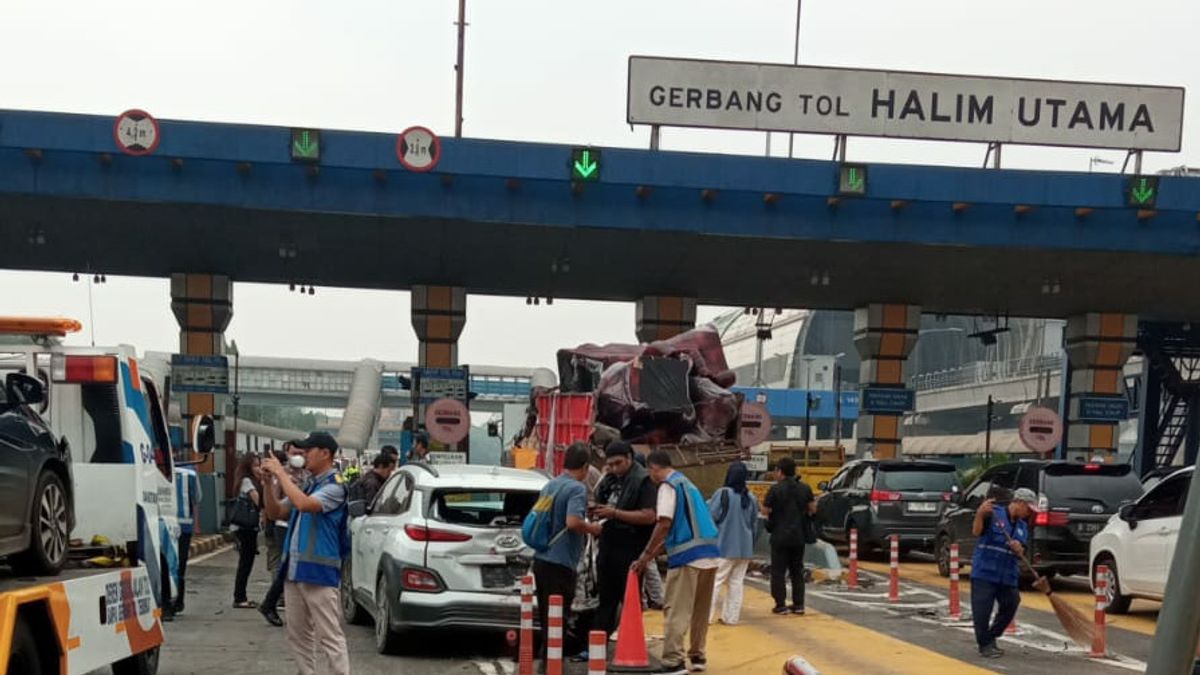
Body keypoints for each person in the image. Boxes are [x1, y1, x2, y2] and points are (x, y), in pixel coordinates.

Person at [261, 431, 351, 675]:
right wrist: (269, 483)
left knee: (329, 636)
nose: (302, 456)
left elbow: (304, 505)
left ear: (325, 454)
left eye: (307, 451)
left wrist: (281, 473)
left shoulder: (335, 486)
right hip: (295, 570)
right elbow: (276, 512)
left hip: (319, 572)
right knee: (298, 636)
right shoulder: (310, 484)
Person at [632, 450, 721, 675]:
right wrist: (656, 553)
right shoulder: (689, 485)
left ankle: (673, 661)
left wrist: (645, 555)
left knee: (676, 609)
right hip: (710, 553)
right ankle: (698, 656)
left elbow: (664, 524)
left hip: (687, 556)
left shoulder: (667, 487)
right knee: (700, 611)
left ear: (654, 468)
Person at [531, 443, 602, 663]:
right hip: (561, 564)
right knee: (559, 618)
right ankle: (553, 663)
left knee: (546, 616)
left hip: (542, 558)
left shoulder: (549, 485)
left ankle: (546, 660)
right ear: (585, 467)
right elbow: (572, 522)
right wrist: (593, 529)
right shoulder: (576, 488)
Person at [591, 442, 657, 637]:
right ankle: (596, 644)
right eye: (610, 464)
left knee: (629, 598)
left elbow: (649, 515)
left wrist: (615, 513)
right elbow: (602, 500)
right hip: (608, 544)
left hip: (630, 547)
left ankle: (632, 640)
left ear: (629, 457)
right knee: (605, 599)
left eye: (618, 463)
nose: (614, 468)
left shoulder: (643, 480)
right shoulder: (610, 479)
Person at [970, 487, 1036, 659]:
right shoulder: (993, 514)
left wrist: (1018, 548)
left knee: (1011, 603)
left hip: (1007, 574)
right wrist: (979, 514)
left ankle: (992, 636)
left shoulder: (1022, 526)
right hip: (985, 571)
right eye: (1028, 509)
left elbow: (1022, 551)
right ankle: (984, 645)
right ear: (1019, 503)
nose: (1029, 513)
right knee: (982, 611)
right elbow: (976, 532)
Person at [259, 442, 309, 627]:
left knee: (290, 565)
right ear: (287, 453)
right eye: (295, 453)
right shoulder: (281, 474)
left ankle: (270, 603)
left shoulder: (306, 474)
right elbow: (275, 502)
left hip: (299, 524)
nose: (299, 456)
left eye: (302, 453)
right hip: (283, 524)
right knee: (286, 565)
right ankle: (271, 602)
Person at [762, 457, 815, 616]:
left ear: (781, 472)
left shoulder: (775, 490)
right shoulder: (805, 488)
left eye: (776, 470)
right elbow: (813, 508)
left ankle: (780, 605)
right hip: (798, 536)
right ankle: (799, 605)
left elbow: (765, 510)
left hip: (779, 536)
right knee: (797, 571)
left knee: (778, 571)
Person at [707, 461, 758, 625]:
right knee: (736, 583)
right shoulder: (751, 498)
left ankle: (706, 617)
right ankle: (731, 618)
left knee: (715, 581)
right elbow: (754, 524)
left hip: (724, 546)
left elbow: (711, 517)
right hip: (745, 548)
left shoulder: (722, 494)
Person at [231, 453, 263, 609]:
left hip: (247, 528)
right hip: (245, 528)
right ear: (248, 467)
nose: (259, 468)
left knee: (246, 562)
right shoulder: (246, 481)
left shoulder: (248, 480)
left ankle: (240, 596)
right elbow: (258, 500)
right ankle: (239, 597)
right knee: (245, 563)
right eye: (256, 465)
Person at [172, 463, 202, 615]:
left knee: (167, 564)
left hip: (162, 526)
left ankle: (167, 600)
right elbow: (197, 499)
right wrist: (197, 524)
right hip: (184, 527)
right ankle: (178, 601)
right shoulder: (190, 473)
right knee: (180, 566)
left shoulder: (156, 468)